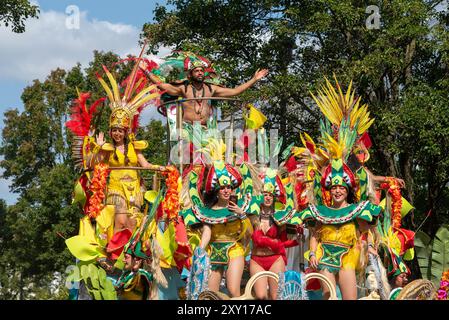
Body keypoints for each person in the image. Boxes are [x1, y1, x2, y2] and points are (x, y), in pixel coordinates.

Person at [181, 160, 254, 297]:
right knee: (211, 294)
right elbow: (207, 233)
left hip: (234, 250)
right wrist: (199, 251)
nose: (226, 190)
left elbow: (250, 233)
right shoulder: (208, 211)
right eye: (222, 187)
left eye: (229, 187)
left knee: (233, 290)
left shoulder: (239, 208)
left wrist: (241, 214)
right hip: (213, 251)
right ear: (216, 191)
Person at [141, 58, 268, 125]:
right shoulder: (184, 88)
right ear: (191, 74)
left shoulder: (211, 89)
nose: (200, 73)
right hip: (187, 129)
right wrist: (146, 71)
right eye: (196, 71)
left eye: (202, 70)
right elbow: (161, 85)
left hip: (206, 129)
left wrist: (254, 79)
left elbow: (235, 91)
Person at [249, 168, 299, 300]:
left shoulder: (280, 217)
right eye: (265, 194)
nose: (267, 197)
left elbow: (288, 237)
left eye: (270, 195)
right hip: (257, 259)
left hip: (275, 259)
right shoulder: (252, 215)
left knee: (275, 296)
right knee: (261, 296)